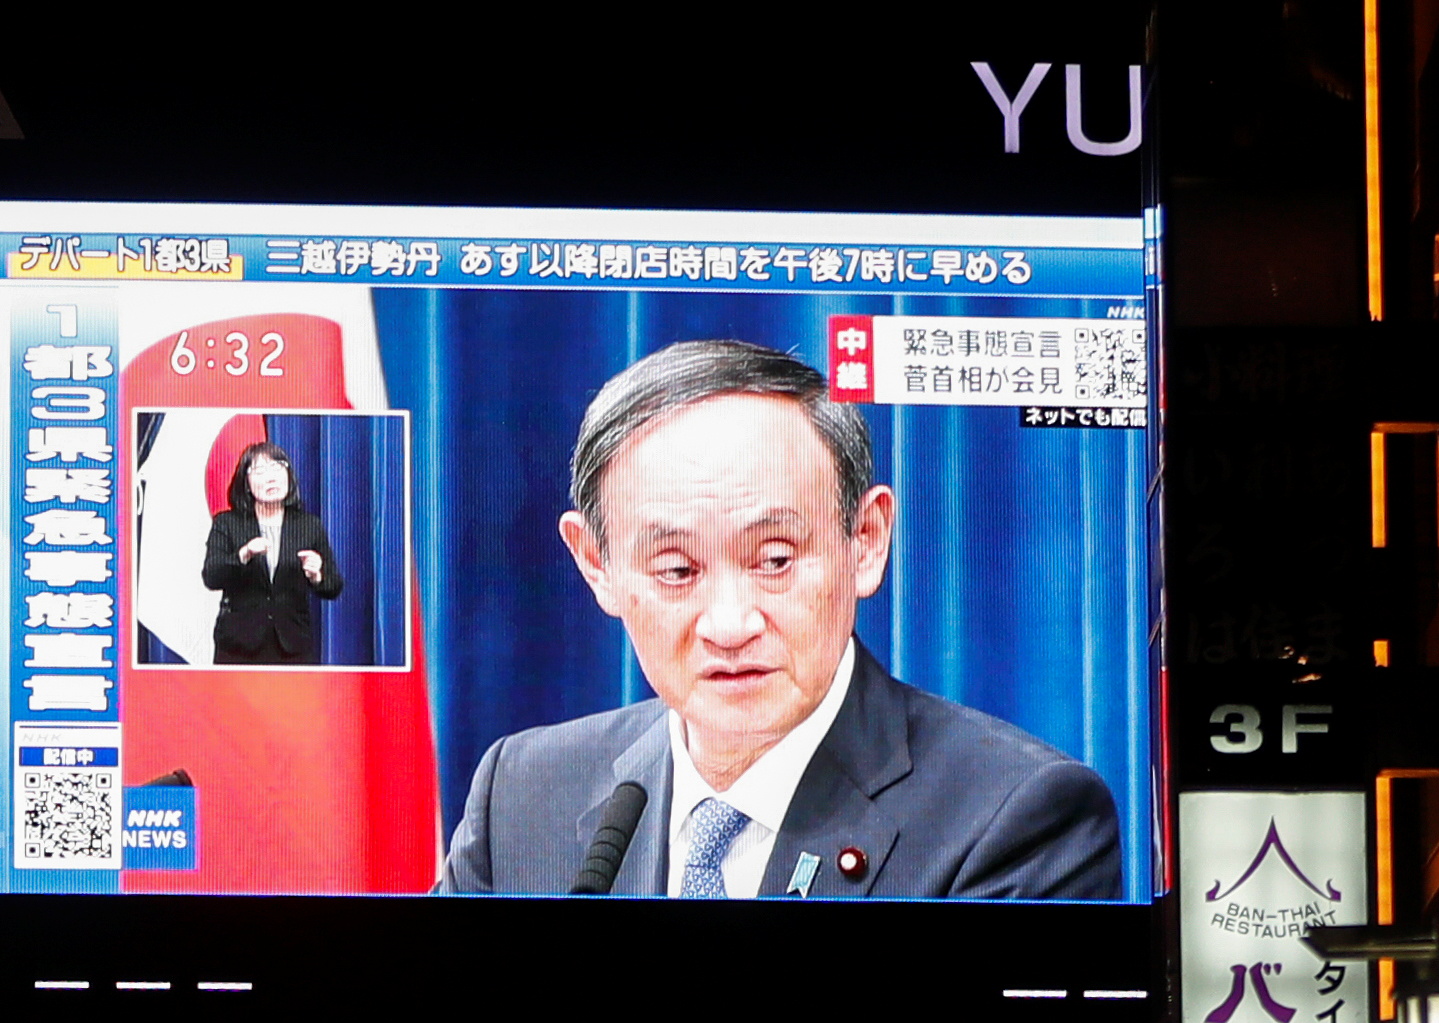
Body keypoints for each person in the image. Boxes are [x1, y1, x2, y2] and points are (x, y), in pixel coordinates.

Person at [438, 337, 1122, 901]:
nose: (730, 624)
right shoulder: (521, 793)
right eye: (677, 571)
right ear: (597, 565)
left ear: (865, 540)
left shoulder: (1015, 818)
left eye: (773, 559)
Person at [198, 437, 346, 663]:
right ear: (245, 483)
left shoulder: (308, 525)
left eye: (277, 467)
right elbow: (211, 576)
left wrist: (317, 575)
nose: (270, 477)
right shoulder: (227, 523)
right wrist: (244, 555)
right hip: (239, 645)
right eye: (259, 471)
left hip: (292, 645)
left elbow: (333, 587)